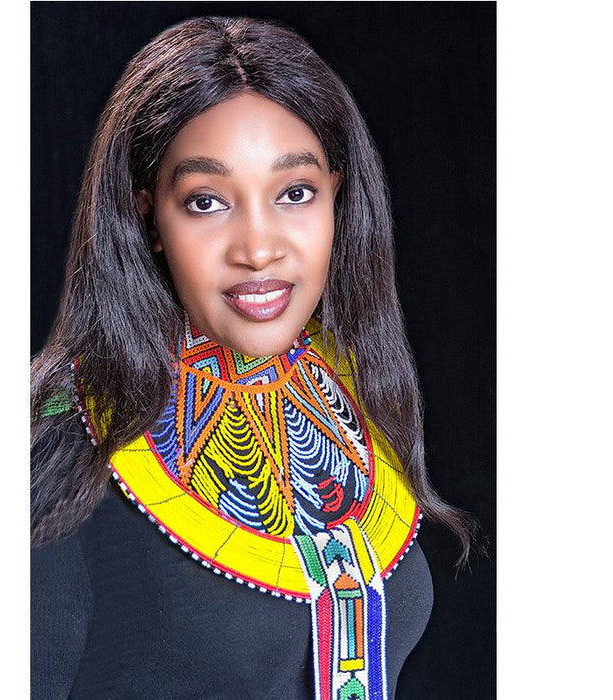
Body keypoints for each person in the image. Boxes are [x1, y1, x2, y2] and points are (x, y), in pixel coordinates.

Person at [31, 15, 476, 700]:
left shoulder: (349, 389)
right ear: (148, 216)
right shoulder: (56, 439)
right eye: (207, 202)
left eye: (295, 193)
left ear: (336, 196)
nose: (259, 248)